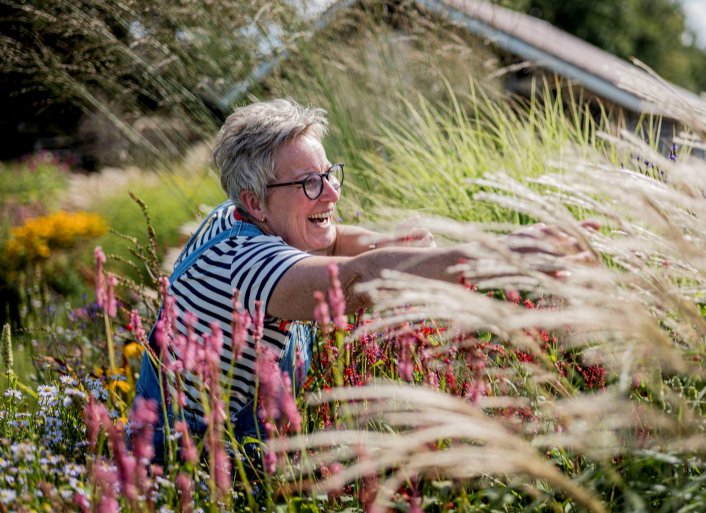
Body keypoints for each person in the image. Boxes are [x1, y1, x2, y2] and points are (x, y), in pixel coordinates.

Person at [134, 98, 595, 459]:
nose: (331, 192)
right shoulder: (246, 262)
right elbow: (353, 281)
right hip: (185, 467)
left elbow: (333, 242)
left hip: (240, 450)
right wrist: (495, 256)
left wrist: (398, 242)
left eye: (329, 175)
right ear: (255, 202)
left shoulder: (239, 215)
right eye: (309, 184)